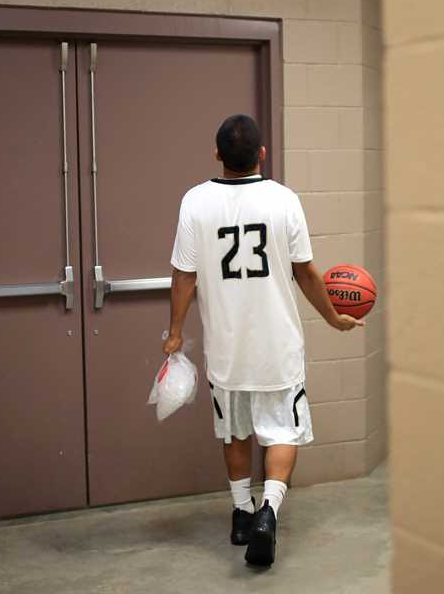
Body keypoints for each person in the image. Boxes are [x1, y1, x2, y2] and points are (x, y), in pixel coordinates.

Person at [164, 114, 363, 568]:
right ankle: (268, 512)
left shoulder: (195, 201)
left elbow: (184, 276)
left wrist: (175, 332)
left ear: (217, 155)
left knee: (234, 430)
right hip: (277, 347)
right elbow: (307, 273)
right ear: (262, 154)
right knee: (283, 431)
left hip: (226, 349)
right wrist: (334, 319)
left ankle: (240, 512)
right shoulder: (284, 200)